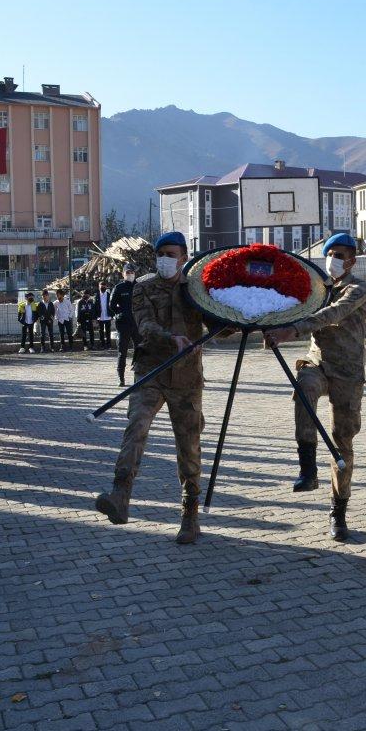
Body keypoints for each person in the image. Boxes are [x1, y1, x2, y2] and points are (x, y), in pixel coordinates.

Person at [95, 232, 208, 545]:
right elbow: (144, 325)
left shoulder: (197, 289)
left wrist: (236, 317)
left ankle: (190, 515)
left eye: (171, 254)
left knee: (188, 446)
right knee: (137, 425)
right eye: (161, 254)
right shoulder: (143, 286)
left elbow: (218, 326)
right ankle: (120, 494)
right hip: (151, 372)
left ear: (184, 257)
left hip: (186, 379)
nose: (165, 259)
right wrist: (172, 339)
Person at [266, 232, 366, 542]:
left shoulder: (358, 289)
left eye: (340, 255)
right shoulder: (316, 290)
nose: (334, 260)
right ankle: (308, 468)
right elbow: (287, 306)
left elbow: (333, 313)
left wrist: (293, 330)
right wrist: (269, 324)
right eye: (330, 254)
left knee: (343, 442)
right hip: (318, 363)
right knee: (304, 387)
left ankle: (338, 509)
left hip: (348, 371)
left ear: (351, 261)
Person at [110, 265, 139, 384]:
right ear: (123, 274)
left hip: (137, 323)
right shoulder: (119, 288)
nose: (130, 274)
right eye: (127, 272)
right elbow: (112, 305)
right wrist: (120, 313)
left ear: (135, 273)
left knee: (139, 350)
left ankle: (138, 377)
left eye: (132, 272)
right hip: (123, 324)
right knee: (122, 351)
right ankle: (121, 377)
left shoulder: (139, 286)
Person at [96, 281, 112, 349]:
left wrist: (112, 315)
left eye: (104, 286)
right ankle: (102, 344)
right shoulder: (97, 295)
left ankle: (109, 345)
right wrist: (96, 316)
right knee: (101, 331)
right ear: (99, 287)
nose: (102, 288)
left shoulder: (109, 295)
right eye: (101, 287)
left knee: (108, 331)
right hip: (100, 316)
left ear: (106, 287)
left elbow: (112, 305)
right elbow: (95, 306)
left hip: (108, 315)